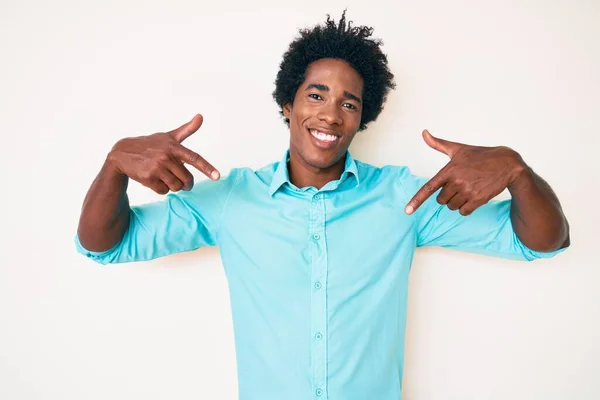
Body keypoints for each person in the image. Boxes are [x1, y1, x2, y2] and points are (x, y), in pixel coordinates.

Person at [75, 11, 570, 400]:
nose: (330, 114)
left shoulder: (403, 198)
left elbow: (543, 241)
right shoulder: (232, 199)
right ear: (288, 106)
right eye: (316, 95)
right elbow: (105, 245)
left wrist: (517, 173)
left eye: (349, 103)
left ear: (362, 120)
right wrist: (114, 164)